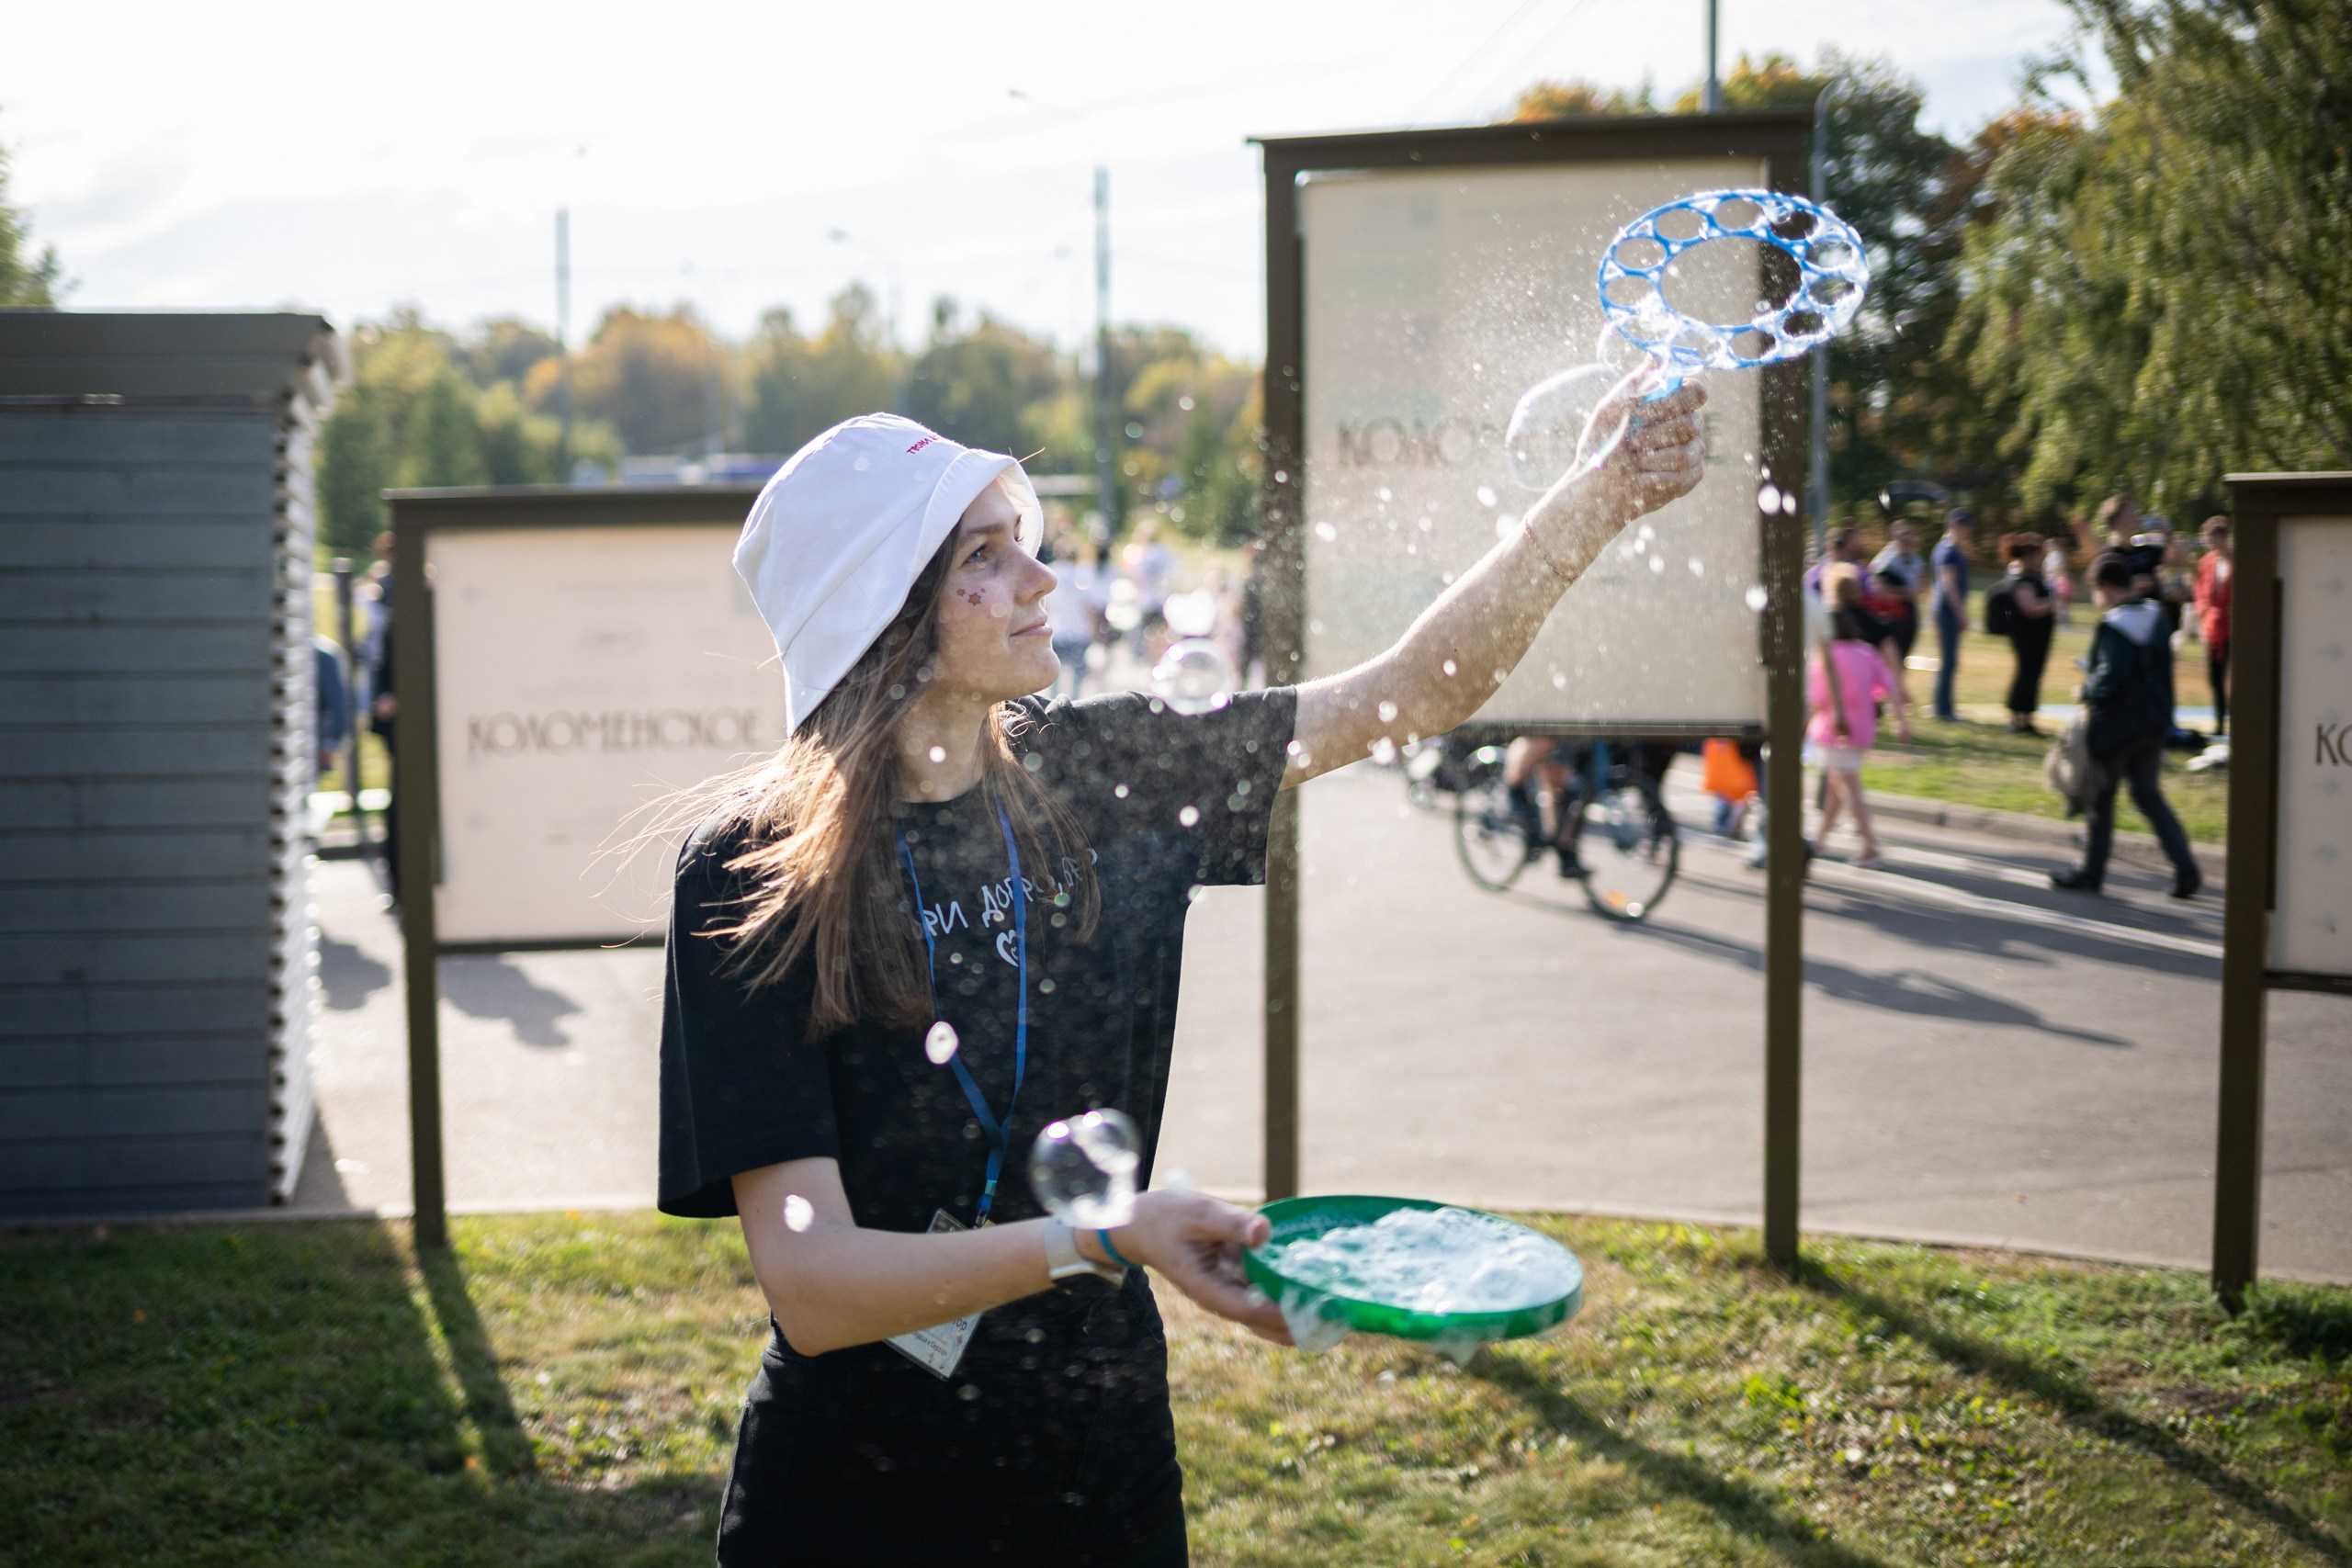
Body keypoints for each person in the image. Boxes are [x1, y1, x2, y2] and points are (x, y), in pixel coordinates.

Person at [659, 388, 1707, 1564]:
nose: (1044, 581)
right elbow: (814, 1282)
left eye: (1025, 546)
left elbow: (1414, 691)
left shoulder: (1103, 768)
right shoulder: (747, 875)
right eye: (984, 558)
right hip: (857, 1500)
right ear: (883, 612)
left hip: (1096, 1470)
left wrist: (1589, 503)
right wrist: (1108, 1236)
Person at [2051, 554, 2201, 898]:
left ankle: (2091, 872)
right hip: (2155, 719)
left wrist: (2086, 689)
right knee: (2148, 795)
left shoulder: (2115, 624)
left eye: (2096, 591)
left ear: (2105, 587)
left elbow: (2111, 673)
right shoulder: (2156, 616)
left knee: (2101, 798)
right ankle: (2186, 867)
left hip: (2118, 724)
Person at [1809, 563, 1901, 867]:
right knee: (1839, 782)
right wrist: (1901, 719)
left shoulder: (1825, 657)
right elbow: (1887, 684)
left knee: (1847, 785)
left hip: (1833, 728)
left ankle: (1870, 843)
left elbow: (1817, 698)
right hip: (1863, 727)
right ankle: (1820, 840)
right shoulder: (1865, 652)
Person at [1990, 535, 2057, 733]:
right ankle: (2017, 718)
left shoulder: (2033, 576)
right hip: (2028, 634)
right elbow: (2030, 608)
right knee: (2026, 673)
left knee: (2032, 673)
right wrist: (2054, 601)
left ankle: (2026, 717)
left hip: (2038, 634)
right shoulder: (2022, 579)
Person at [1044, 532, 1106, 701]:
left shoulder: (1050, 572)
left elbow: (1045, 605)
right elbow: (1091, 607)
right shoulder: (1083, 575)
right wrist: (1096, 632)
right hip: (1078, 631)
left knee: (1054, 676)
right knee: (1077, 677)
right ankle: (1072, 710)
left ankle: (1051, 709)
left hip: (1056, 630)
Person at [1929, 509, 1974, 720]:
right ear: (1955, 526)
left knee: (1948, 660)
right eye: (1965, 527)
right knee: (1948, 661)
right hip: (1947, 612)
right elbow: (1948, 584)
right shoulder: (1948, 551)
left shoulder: (1948, 549)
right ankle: (1943, 709)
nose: (1968, 532)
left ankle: (1942, 705)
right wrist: (1960, 612)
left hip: (1946, 611)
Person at [2193, 516, 2233, 736]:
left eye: (2211, 538)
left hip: (2235, 628)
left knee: (2235, 677)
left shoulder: (2239, 559)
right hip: (2213, 627)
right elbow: (2200, 594)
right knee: (2215, 678)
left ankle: (2237, 719)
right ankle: (2219, 722)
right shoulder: (2207, 563)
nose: (2209, 543)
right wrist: (2204, 616)